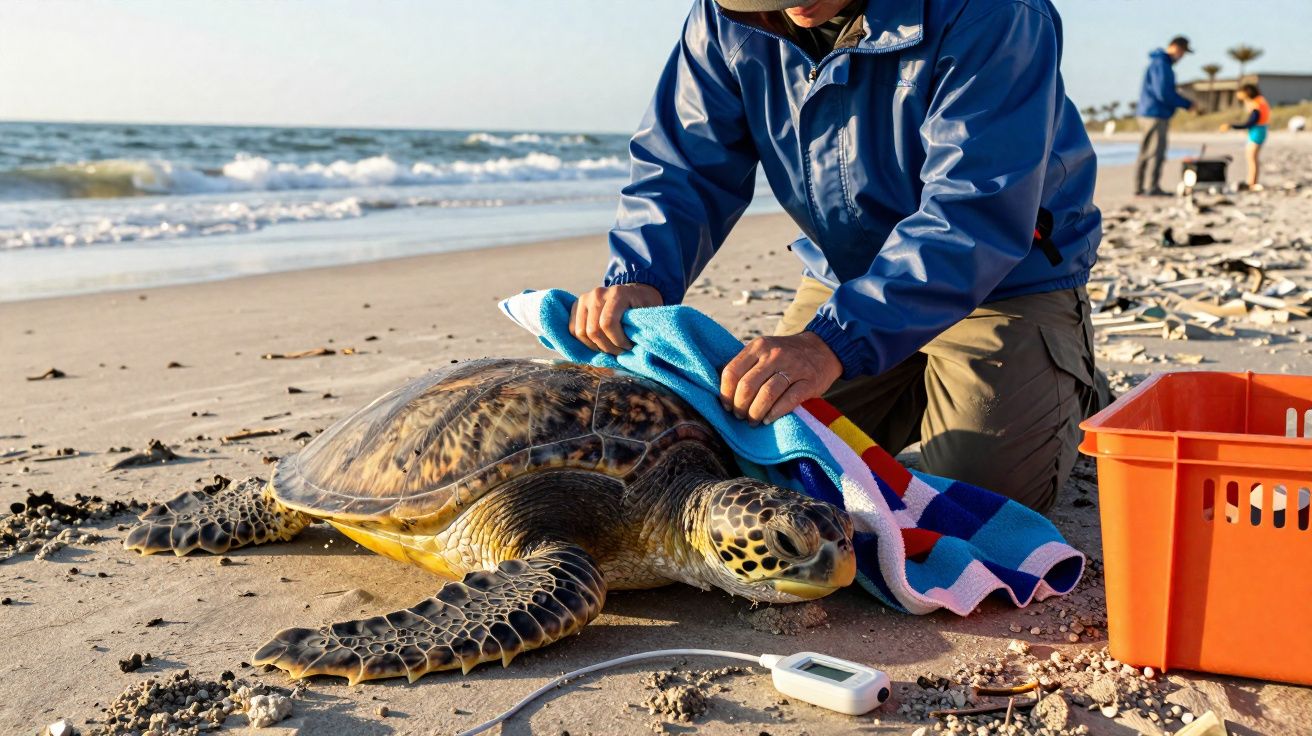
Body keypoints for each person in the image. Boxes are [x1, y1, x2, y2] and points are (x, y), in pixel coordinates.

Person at [570, 0, 1102, 513]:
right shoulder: (724, 14)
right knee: (758, 464)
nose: (787, 7)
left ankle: (1069, 385)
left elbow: (976, 207)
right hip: (844, 278)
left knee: (970, 500)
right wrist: (643, 274)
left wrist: (833, 344)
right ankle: (913, 379)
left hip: (1004, 280)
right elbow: (683, 164)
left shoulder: (996, 11)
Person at [1135, 36, 1197, 196]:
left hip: (1149, 112)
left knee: (1147, 150)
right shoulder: (1162, 64)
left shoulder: (1159, 63)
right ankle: (1151, 187)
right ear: (1176, 48)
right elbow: (1163, 93)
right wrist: (1187, 104)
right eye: (1182, 52)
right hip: (1155, 113)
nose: (1182, 57)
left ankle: (1141, 187)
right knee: (1156, 151)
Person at [1220, 83, 1271, 191]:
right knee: (1252, 158)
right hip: (1259, 131)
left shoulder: (1257, 104)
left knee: (1251, 158)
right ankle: (1251, 181)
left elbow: (1249, 123)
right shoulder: (1259, 101)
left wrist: (1231, 126)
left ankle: (1252, 183)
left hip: (1257, 132)